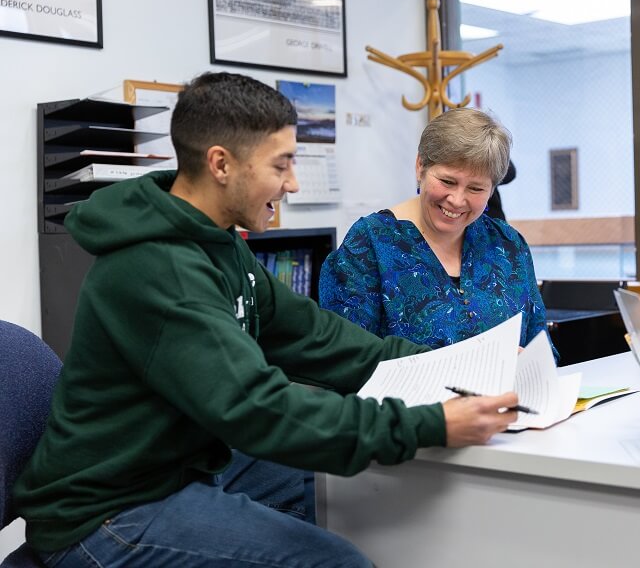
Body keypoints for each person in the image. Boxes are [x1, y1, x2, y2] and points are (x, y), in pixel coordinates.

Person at [13, 72, 520, 568]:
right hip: (110, 511)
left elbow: (327, 341)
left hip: (179, 467)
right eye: (282, 164)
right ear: (221, 165)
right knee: (340, 561)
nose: (293, 183)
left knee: (354, 491)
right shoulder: (158, 269)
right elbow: (258, 409)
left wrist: (463, 371)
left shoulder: (218, 246)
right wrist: (430, 424)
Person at [319, 108, 557, 362]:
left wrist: (529, 362)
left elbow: (542, 348)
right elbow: (346, 360)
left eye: (476, 188)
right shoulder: (369, 244)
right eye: (447, 182)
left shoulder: (507, 244)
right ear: (420, 166)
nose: (456, 200)